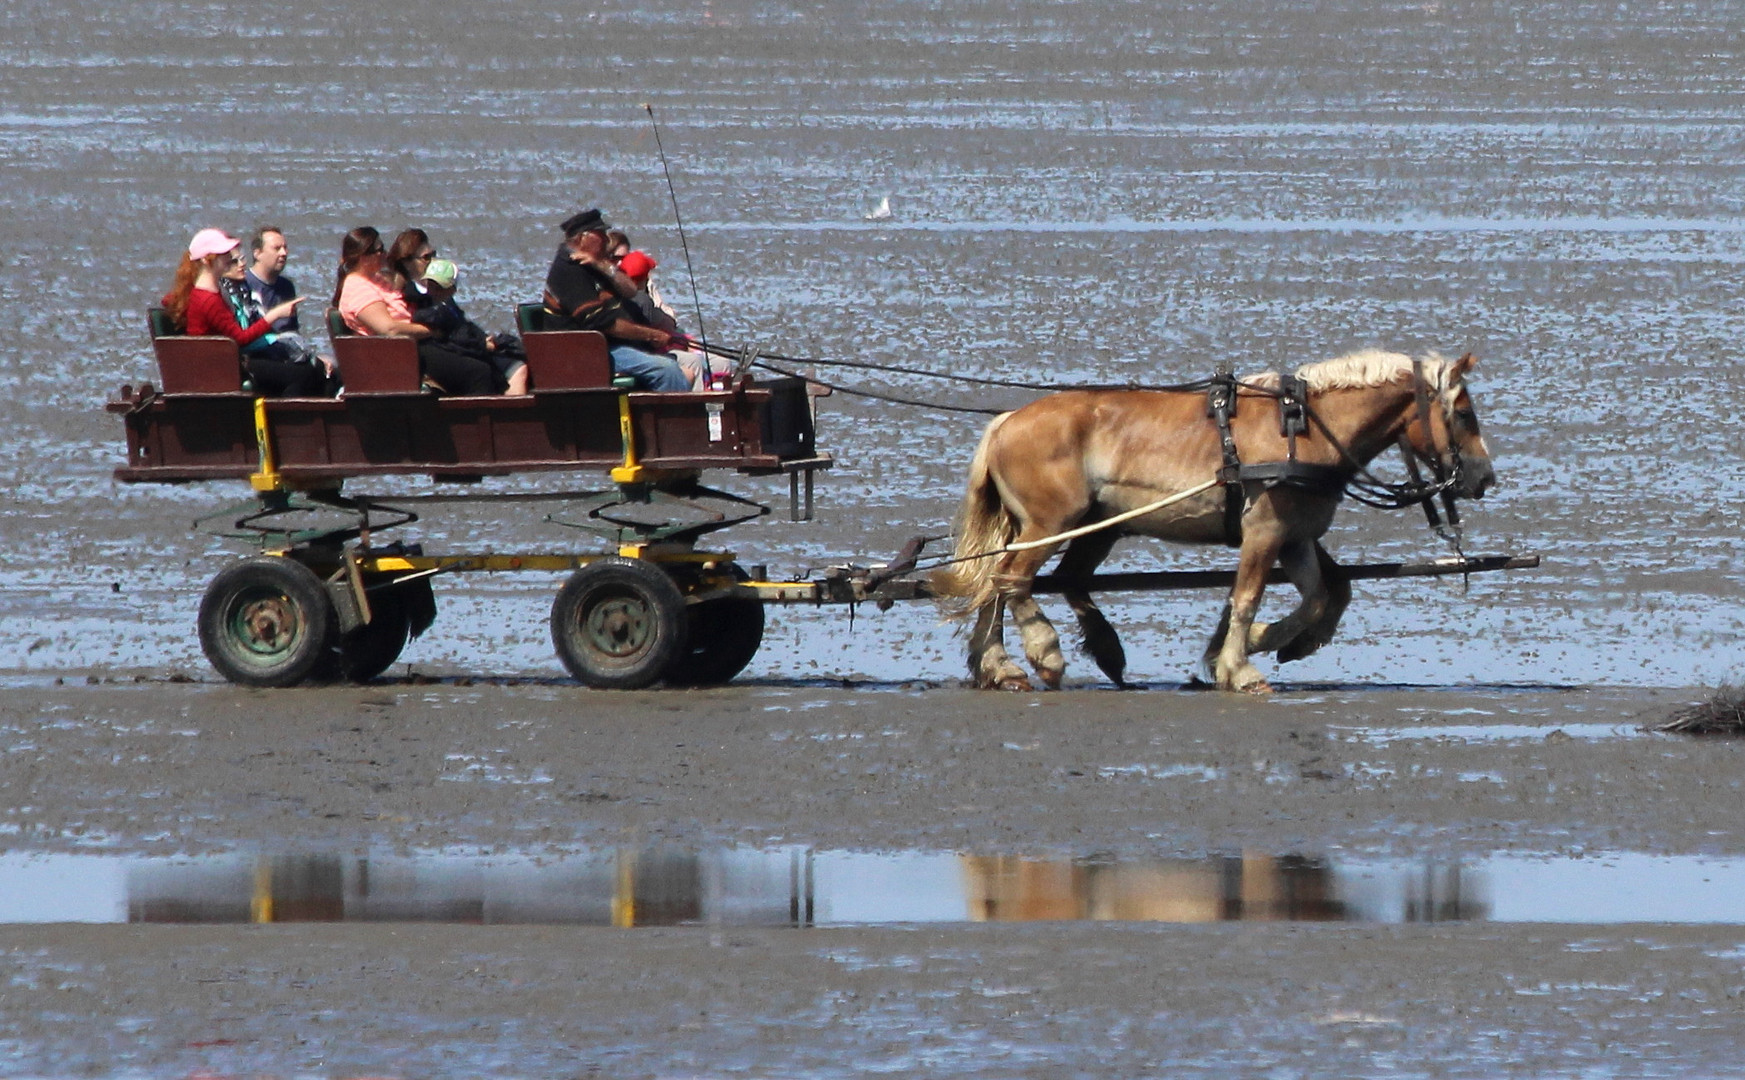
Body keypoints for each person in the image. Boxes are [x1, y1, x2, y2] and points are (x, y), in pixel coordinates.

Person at [161, 228, 334, 397]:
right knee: (300, 376)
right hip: (219, 367)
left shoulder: (202, 291)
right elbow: (241, 338)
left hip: (223, 361)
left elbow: (170, 300)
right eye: (223, 254)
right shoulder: (208, 299)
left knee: (304, 371)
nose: (229, 257)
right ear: (207, 260)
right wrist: (275, 314)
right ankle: (285, 421)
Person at [332, 226, 497, 396]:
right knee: (478, 372)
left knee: (485, 357)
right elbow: (390, 329)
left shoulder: (378, 279)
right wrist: (432, 331)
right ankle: (477, 421)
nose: (385, 253)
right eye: (379, 250)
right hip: (400, 353)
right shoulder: (357, 288)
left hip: (416, 345)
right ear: (363, 256)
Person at [542, 208, 690, 392]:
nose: (606, 239)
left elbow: (630, 291)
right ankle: (673, 420)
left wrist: (604, 266)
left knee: (692, 364)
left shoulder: (592, 263)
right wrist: (652, 335)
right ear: (583, 238)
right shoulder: (568, 271)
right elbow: (603, 323)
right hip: (588, 353)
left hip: (613, 346)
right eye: (601, 234)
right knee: (666, 370)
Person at [413, 259, 529, 395]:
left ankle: (511, 411)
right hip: (457, 354)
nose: (434, 291)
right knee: (492, 370)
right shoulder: (429, 309)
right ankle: (500, 413)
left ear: (452, 289)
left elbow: (464, 329)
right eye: (431, 285)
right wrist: (482, 344)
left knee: (518, 362)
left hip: (471, 348)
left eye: (440, 287)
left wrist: (484, 340)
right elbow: (455, 336)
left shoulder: (450, 307)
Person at [618, 250, 729, 390]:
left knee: (717, 362)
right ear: (645, 278)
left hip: (654, 349)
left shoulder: (624, 295)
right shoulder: (642, 299)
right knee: (693, 361)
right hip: (650, 352)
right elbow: (668, 325)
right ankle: (696, 406)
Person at [244, 226, 301, 333]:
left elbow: (292, 330)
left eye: (285, 248)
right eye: (276, 248)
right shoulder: (243, 284)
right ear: (257, 253)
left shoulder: (286, 286)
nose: (283, 253)